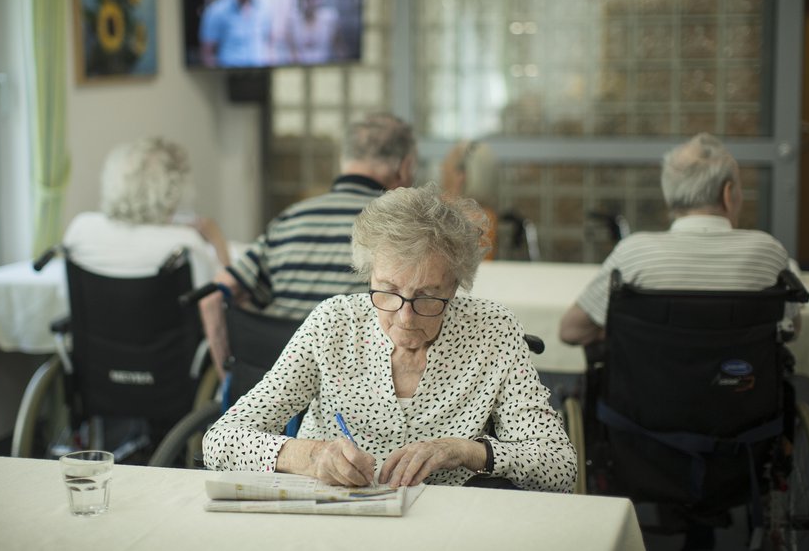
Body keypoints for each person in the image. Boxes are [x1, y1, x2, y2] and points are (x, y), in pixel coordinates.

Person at [202, 184, 577, 492]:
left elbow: (559, 468)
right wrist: (311, 457)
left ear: (457, 285)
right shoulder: (334, 323)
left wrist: (465, 451)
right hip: (333, 521)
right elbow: (220, 441)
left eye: (428, 296)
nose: (405, 316)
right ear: (369, 273)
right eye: (387, 290)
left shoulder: (493, 331)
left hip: (445, 526)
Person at [199, 112, 417, 379]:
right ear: (404, 167)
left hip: (275, 388)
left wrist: (228, 380)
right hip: (355, 391)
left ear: (343, 160)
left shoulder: (290, 218)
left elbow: (213, 298)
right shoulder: (404, 228)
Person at [559, 131, 800, 348]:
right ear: (728, 195)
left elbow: (571, 330)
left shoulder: (635, 253)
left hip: (649, 395)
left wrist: (628, 331)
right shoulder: (768, 252)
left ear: (669, 195)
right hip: (744, 393)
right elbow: (791, 328)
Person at [64, 136, 231, 286]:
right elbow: (217, 296)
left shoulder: (81, 227)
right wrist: (217, 240)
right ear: (172, 189)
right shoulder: (183, 245)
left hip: (98, 321)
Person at [199, 0, 272, 67]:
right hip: (228, 75)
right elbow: (207, 53)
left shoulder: (263, 10)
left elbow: (269, 43)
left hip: (259, 73)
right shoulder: (217, 11)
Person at [284, 0, 342, 64]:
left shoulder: (330, 19)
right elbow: (292, 52)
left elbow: (339, 49)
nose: (315, 0)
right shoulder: (292, 21)